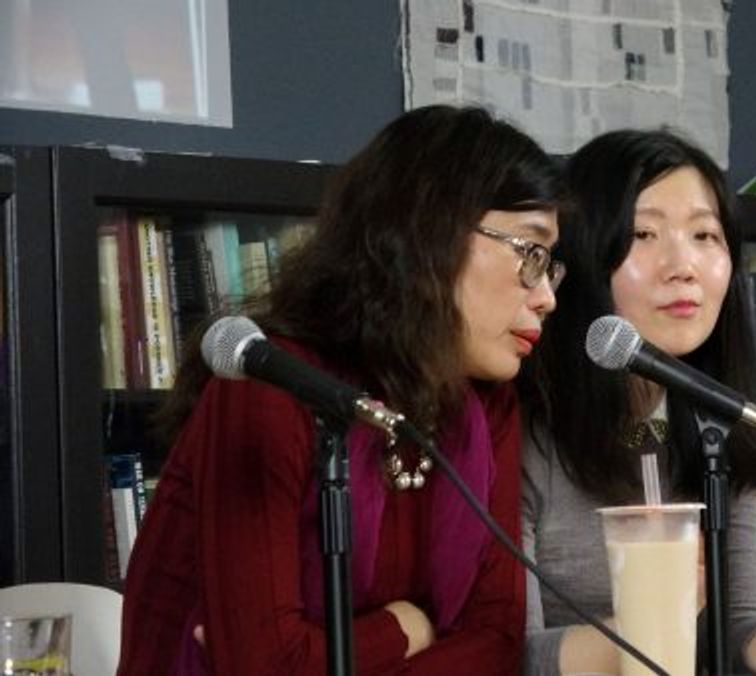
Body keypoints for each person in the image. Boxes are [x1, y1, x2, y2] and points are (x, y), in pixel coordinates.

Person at [118, 105, 568, 674]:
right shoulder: (267, 388)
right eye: (529, 252)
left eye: (550, 265)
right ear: (428, 234)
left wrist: (349, 650)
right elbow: (270, 665)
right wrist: (408, 627)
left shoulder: (486, 405)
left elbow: (497, 643)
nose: (546, 297)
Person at [518, 129, 756, 675]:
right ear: (582, 252)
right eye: (644, 233)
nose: (683, 265)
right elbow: (508, 656)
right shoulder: (520, 436)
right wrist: (652, 625)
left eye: (704, 235)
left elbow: (739, 631)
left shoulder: (715, 423)